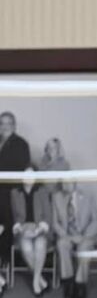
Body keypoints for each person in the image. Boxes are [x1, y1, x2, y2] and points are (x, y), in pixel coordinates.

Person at [51, 179, 97, 298]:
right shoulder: (56, 197)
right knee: (61, 244)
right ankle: (68, 281)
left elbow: (96, 220)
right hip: (67, 235)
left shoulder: (88, 196)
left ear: (75, 183)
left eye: (68, 182)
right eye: (63, 182)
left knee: (83, 248)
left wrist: (84, 236)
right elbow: (55, 223)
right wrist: (66, 235)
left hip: (84, 235)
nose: (65, 184)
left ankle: (80, 283)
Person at [0, 110, 33, 265]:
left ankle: (4, 263)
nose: (5, 126)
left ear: (14, 125)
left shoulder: (21, 144)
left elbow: (23, 170)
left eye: (9, 123)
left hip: (10, 193)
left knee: (6, 226)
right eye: (2, 123)